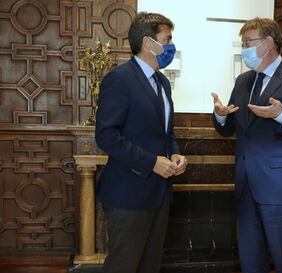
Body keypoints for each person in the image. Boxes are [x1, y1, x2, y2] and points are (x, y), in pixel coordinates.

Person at [211, 17, 282, 273]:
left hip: (281, 188)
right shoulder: (243, 81)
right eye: (243, 43)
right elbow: (230, 129)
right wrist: (220, 114)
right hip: (246, 185)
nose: (244, 49)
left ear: (269, 43)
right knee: (250, 261)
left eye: (248, 42)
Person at [95, 12, 187, 273]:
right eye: (167, 39)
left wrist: (176, 154)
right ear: (148, 43)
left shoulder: (162, 83)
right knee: (123, 266)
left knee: (150, 265)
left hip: (159, 193)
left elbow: (165, 132)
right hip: (128, 194)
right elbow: (106, 135)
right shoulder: (119, 79)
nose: (171, 45)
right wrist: (151, 163)